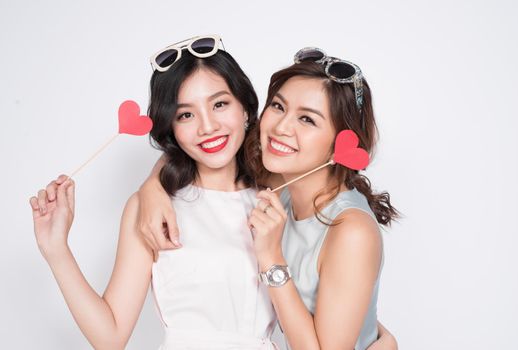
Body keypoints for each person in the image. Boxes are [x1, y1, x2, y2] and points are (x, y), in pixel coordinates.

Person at [138, 47, 398, 349]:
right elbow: (201, 150)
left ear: (340, 143)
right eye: (278, 106)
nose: (281, 127)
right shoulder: (281, 181)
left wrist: (270, 258)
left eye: (307, 120)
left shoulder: (352, 231)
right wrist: (152, 189)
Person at [29, 35, 278, 349]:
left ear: (245, 107)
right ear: (170, 127)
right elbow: (110, 336)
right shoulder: (151, 208)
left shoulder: (277, 195)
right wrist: (56, 250)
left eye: (219, 104)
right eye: (185, 114)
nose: (207, 126)